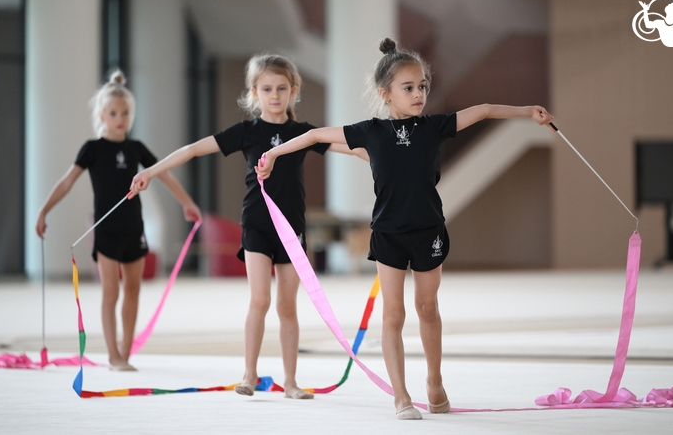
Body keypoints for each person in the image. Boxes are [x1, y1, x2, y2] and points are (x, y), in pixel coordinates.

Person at [256, 38, 553, 419]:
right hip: (388, 234)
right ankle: (401, 396)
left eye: (423, 87)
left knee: (427, 308)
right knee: (393, 315)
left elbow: (483, 110)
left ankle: (434, 381)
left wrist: (529, 111)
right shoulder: (370, 132)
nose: (418, 94)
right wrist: (273, 155)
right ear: (385, 94)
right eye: (408, 88)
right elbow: (314, 136)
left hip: (428, 230)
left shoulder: (433, 127)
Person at [130, 54, 368, 399]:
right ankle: (249, 374)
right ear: (254, 92)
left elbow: (352, 147)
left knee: (288, 306)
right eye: (267, 88)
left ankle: (291, 382)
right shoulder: (247, 132)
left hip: (292, 229)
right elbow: (195, 149)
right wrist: (150, 172)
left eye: (282, 88)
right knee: (260, 299)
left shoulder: (301, 133)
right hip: (257, 223)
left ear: (293, 91)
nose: (275, 95)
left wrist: (382, 157)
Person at [36, 71, 201, 371]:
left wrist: (187, 203)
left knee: (134, 290)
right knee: (110, 292)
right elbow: (66, 183)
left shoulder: (135, 148)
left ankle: (126, 350)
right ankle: (113, 354)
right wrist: (43, 210)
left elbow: (164, 174)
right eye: (113, 113)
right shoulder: (92, 149)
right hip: (107, 233)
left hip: (133, 230)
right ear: (101, 114)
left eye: (125, 113)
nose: (120, 118)